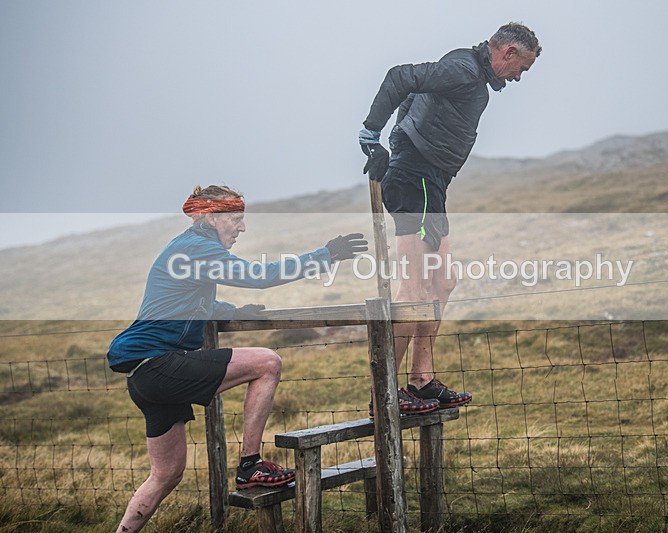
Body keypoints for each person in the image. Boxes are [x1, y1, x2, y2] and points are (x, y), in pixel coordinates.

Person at [107, 185, 367, 533]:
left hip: (143, 377)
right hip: (159, 364)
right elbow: (259, 277)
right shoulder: (195, 249)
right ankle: (250, 465)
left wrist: (234, 311)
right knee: (267, 363)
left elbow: (193, 304)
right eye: (236, 219)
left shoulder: (186, 248)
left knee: (166, 475)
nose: (241, 228)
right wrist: (326, 255)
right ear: (212, 218)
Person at [359, 22, 541, 414]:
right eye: (521, 67)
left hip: (431, 183)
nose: (519, 77)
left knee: (443, 281)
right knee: (414, 291)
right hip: (415, 180)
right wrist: (372, 136)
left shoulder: (468, 75)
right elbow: (400, 78)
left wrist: (396, 140)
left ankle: (421, 380)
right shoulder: (463, 68)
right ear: (507, 52)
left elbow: (413, 95)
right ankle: (383, 392)